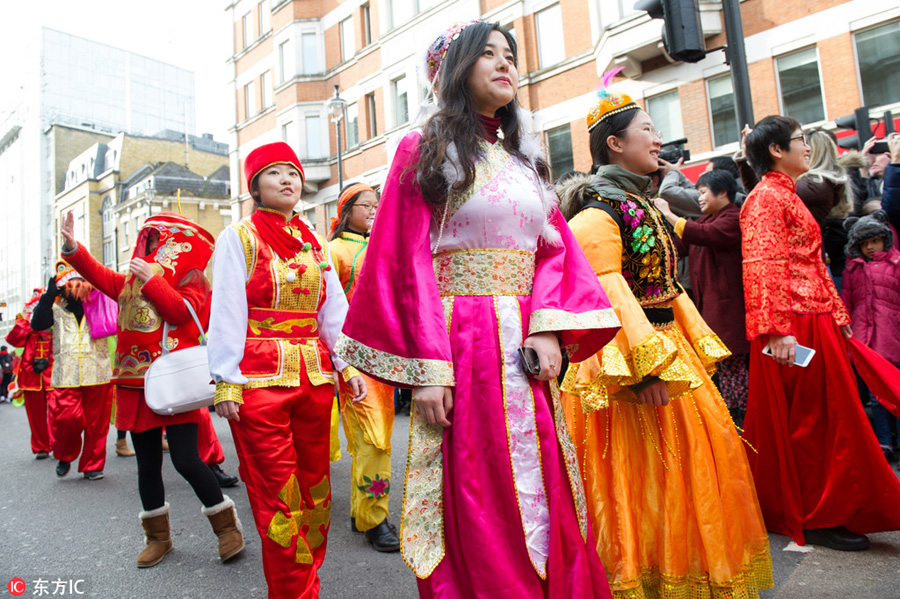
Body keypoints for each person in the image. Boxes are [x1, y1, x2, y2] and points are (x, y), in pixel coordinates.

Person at [336, 21, 619, 599]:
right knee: (476, 473)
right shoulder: (424, 150)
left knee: (541, 471)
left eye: (510, 55)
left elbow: (555, 250)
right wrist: (428, 372)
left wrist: (548, 331)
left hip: (523, 346)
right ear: (455, 70)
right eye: (487, 54)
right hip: (460, 338)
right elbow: (402, 260)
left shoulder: (526, 162)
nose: (504, 63)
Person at [557, 83, 772, 598]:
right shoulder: (598, 214)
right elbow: (603, 298)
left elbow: (665, 288)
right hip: (629, 369)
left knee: (679, 478)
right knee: (639, 483)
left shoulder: (639, 203)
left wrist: (690, 351)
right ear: (614, 144)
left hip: (668, 352)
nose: (658, 139)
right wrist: (646, 370)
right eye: (648, 130)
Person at [209, 140, 366, 599]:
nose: (288, 180)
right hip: (259, 383)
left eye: (293, 172)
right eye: (275, 173)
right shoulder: (238, 237)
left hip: (314, 378)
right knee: (278, 498)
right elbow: (227, 312)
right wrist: (226, 381)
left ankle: (304, 582)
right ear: (255, 186)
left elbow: (332, 310)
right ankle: (296, 592)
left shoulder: (314, 240)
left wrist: (347, 364)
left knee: (317, 494)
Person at [740, 115, 900, 551]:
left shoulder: (783, 194)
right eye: (799, 140)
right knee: (813, 421)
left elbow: (809, 261)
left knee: (830, 417)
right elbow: (762, 265)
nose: (806, 147)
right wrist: (776, 330)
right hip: (794, 324)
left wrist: (835, 309)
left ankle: (832, 506)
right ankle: (817, 512)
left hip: (814, 317)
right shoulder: (765, 198)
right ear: (776, 150)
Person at [60, 212, 244, 568]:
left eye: (154, 236)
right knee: (147, 465)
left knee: (187, 460)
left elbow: (180, 312)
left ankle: (227, 528)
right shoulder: (128, 279)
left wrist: (152, 281)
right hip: (134, 384)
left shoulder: (193, 278)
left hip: (174, 384)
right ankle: (158, 538)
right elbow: (100, 276)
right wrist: (73, 248)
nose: (147, 242)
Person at [328, 183, 400, 552]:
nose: (373, 210)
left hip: (385, 356)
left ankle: (363, 512)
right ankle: (375, 520)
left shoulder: (381, 245)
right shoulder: (335, 251)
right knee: (373, 440)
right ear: (346, 210)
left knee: (373, 440)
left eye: (376, 204)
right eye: (365, 205)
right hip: (354, 360)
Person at [654, 170, 750, 426]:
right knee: (724, 370)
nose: (699, 198)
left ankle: (740, 420)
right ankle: (733, 418)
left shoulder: (732, 218)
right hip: (710, 312)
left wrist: (669, 214)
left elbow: (703, 234)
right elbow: (682, 243)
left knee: (733, 369)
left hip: (730, 314)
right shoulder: (707, 219)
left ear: (723, 193)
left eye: (704, 192)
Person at [31, 261, 113, 481]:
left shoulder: (99, 303)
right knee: (68, 419)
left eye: (80, 279)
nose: (76, 284)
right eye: (71, 279)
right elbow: (37, 325)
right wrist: (48, 295)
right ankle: (65, 455)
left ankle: (92, 465)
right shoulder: (55, 307)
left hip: (98, 372)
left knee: (97, 424)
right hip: (66, 375)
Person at [840, 210, 900, 463]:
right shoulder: (853, 269)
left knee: (895, 389)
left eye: (874, 241)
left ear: (884, 239)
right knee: (876, 395)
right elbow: (848, 301)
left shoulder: (896, 265)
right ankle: (884, 441)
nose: (870, 248)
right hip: (866, 340)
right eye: (864, 244)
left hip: (892, 335)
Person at [5, 290, 53, 457]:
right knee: (36, 414)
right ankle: (41, 447)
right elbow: (13, 340)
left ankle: (56, 443)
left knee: (59, 412)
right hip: (31, 374)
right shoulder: (26, 324)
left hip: (55, 373)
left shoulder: (57, 320)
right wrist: (25, 322)